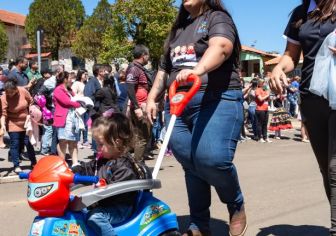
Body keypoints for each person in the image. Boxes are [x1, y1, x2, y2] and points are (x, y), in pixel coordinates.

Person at [146, 1, 247, 235]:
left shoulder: (216, 18)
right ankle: (199, 224)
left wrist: (197, 70)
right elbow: (164, 69)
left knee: (211, 159)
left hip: (216, 99)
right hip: (177, 106)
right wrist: (152, 98)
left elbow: (221, 47)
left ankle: (235, 202)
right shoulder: (178, 29)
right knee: (190, 164)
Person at [270, 0, 336, 235]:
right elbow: (291, 55)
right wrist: (279, 68)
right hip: (311, 98)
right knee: (328, 170)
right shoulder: (301, 12)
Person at [71, 111, 146, 236]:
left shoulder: (124, 166)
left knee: (95, 217)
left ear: (117, 142)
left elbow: (113, 192)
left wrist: (91, 201)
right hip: (105, 202)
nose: (97, 148)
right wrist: (70, 172)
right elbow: (88, 169)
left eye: (101, 144)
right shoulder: (103, 160)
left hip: (120, 207)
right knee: (72, 205)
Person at [1, 79, 37, 173]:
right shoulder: (4, 97)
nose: (10, 95)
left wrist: (30, 113)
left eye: (12, 92)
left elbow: (30, 101)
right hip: (12, 123)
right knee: (15, 144)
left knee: (28, 143)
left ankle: (34, 162)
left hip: (26, 123)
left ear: (16, 89)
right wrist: (3, 125)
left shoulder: (23, 91)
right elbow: (3, 113)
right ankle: (16, 165)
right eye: (8, 93)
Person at [126, 45, 154, 162]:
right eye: (148, 55)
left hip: (143, 105)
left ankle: (136, 162)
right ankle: (137, 165)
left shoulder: (139, 68)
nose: (149, 58)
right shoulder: (134, 68)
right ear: (144, 55)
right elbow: (130, 88)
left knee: (141, 136)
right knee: (142, 137)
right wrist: (136, 107)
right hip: (140, 107)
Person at [53, 71, 81, 166]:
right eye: (70, 78)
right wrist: (79, 104)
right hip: (63, 119)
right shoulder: (58, 90)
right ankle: (62, 163)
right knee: (63, 141)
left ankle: (75, 163)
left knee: (73, 141)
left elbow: (74, 99)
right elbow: (67, 102)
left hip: (73, 118)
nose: (71, 80)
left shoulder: (69, 89)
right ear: (65, 79)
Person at [72, 69, 90, 149]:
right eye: (84, 74)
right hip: (79, 105)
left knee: (86, 124)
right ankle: (78, 140)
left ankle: (85, 140)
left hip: (86, 105)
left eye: (87, 74)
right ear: (80, 75)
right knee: (79, 124)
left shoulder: (88, 83)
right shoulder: (76, 83)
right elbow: (73, 93)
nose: (86, 76)